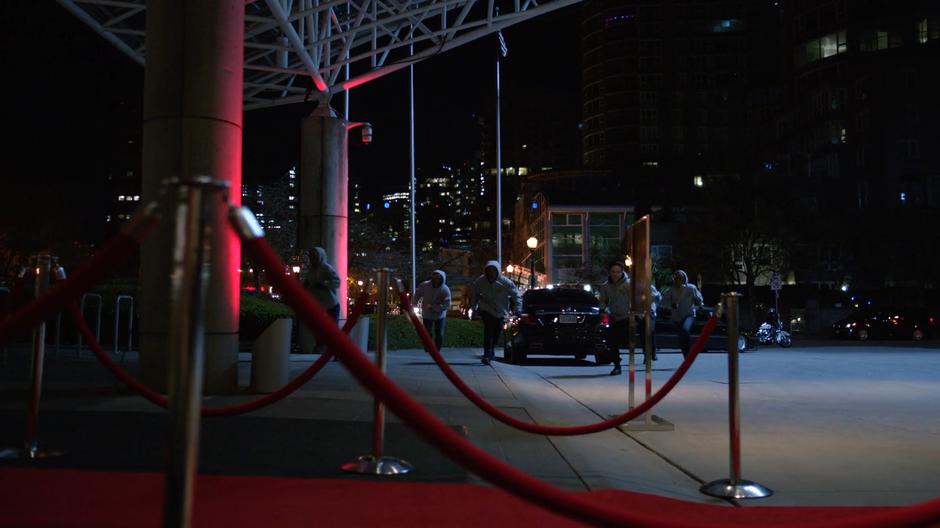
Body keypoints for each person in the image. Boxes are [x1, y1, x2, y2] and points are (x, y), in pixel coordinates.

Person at [471, 261, 521, 365]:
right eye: (489, 270)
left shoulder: (505, 282)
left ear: (497, 271)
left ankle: (492, 349)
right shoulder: (480, 281)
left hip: (501, 310)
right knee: (488, 330)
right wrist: (474, 307)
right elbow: (475, 294)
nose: (491, 273)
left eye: (494, 270)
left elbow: (516, 295)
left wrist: (518, 309)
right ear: (486, 271)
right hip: (487, 309)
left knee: (497, 331)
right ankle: (487, 354)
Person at [303, 247, 341, 356]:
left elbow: (337, 282)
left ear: (321, 256)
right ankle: (320, 348)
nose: (312, 257)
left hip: (331, 305)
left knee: (332, 329)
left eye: (315, 255)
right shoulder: (311, 270)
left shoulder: (326, 268)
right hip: (318, 305)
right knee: (318, 328)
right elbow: (308, 282)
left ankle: (336, 351)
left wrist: (323, 283)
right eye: (311, 255)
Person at [660, 270, 704, 358]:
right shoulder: (671, 290)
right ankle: (686, 356)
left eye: (680, 278)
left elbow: (698, 298)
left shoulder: (691, 288)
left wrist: (700, 305)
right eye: (676, 278)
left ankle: (689, 354)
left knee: (685, 330)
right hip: (677, 317)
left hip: (689, 314)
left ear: (684, 278)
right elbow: (663, 302)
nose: (678, 280)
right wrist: (671, 305)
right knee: (681, 337)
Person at [598, 261, 631, 375]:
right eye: (613, 272)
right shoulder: (605, 286)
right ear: (610, 272)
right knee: (612, 342)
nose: (615, 274)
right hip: (614, 317)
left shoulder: (629, 284)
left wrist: (637, 315)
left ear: (622, 272)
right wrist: (602, 310)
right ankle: (617, 365)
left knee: (625, 340)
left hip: (627, 317)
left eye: (618, 272)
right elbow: (603, 300)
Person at [414, 270, 451, 351]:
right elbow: (417, 294)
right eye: (434, 278)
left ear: (441, 279)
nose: (436, 280)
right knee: (427, 332)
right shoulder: (424, 286)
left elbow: (447, 304)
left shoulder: (445, 289)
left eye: (438, 279)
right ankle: (428, 346)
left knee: (439, 333)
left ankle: (437, 349)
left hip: (440, 314)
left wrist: (435, 307)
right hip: (427, 313)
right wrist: (415, 304)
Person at [639, 283, 661, 363]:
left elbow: (656, 298)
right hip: (639, 314)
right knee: (642, 335)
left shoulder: (650, 287)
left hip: (650, 313)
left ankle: (653, 351)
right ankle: (646, 355)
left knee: (651, 332)